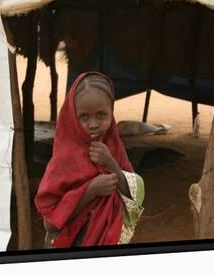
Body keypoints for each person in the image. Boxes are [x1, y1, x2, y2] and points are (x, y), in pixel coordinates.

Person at [34, 72, 144, 248]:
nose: (93, 124)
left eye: (101, 115)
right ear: (72, 116)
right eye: (84, 116)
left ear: (112, 112)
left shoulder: (114, 148)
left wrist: (111, 163)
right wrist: (90, 190)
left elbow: (134, 196)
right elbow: (50, 223)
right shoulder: (64, 158)